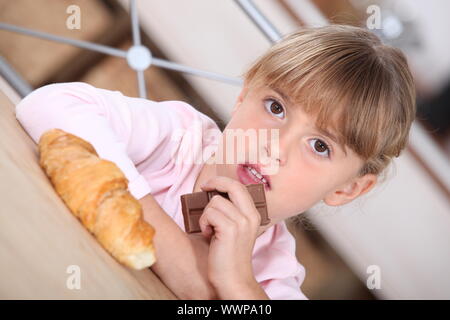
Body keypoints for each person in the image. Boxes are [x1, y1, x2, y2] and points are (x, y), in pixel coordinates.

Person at [15, 24, 416, 300]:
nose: (273, 147)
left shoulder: (273, 276)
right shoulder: (178, 140)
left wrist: (237, 283)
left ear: (349, 188)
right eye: (275, 107)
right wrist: (185, 264)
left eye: (320, 146)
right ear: (243, 96)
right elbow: (50, 104)